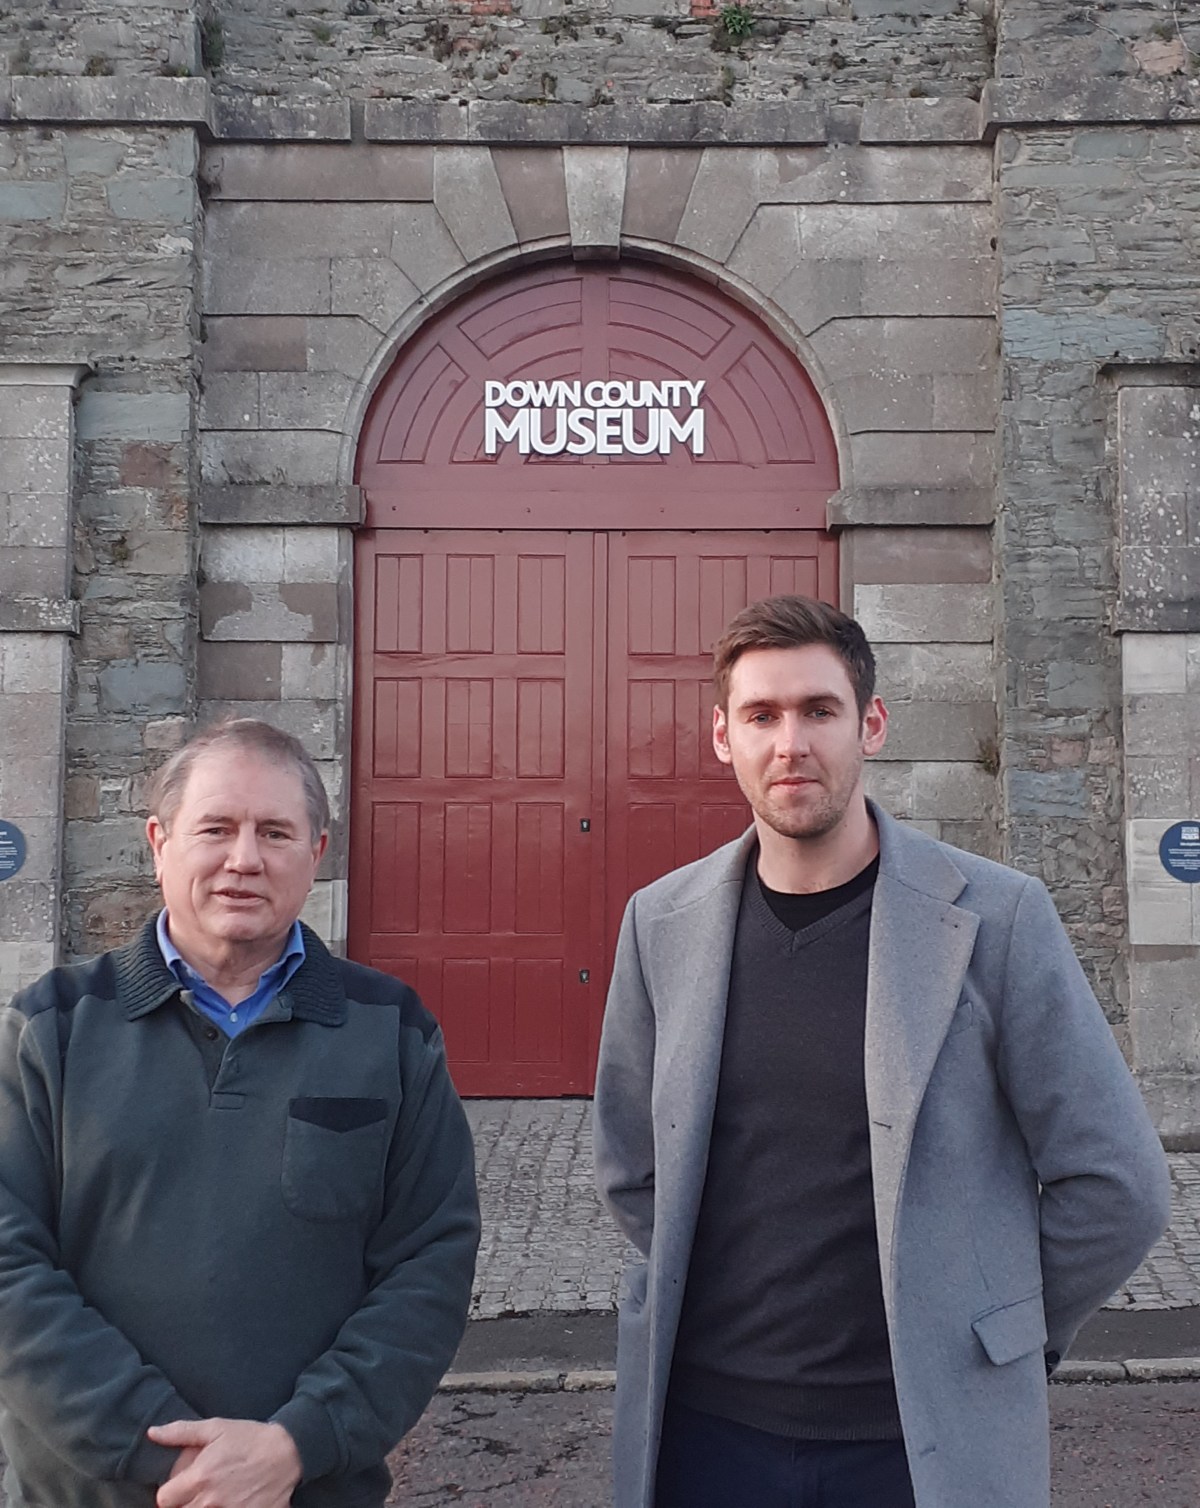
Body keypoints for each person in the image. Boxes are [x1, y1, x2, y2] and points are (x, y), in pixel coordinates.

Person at [593, 595, 1171, 1508]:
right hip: (705, 1435)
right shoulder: (660, 923)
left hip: (913, 1446)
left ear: (871, 725)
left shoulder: (997, 920)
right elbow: (633, 1168)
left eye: (819, 711)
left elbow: (1119, 1185)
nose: (791, 744)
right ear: (723, 737)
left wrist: (998, 1331)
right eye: (761, 716)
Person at [0, 717, 480, 1508]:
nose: (244, 859)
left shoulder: (390, 1032)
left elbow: (428, 1265)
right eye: (216, 828)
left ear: (316, 852)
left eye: (275, 832)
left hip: (306, 1488)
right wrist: (172, 1456)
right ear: (159, 843)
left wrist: (296, 1444)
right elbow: (11, 1270)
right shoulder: (49, 1029)